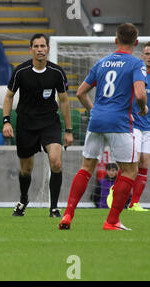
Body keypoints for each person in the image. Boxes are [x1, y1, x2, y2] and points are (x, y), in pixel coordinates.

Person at [59, 23, 147, 230]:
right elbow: (141, 93)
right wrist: (142, 109)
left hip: (96, 121)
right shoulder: (136, 64)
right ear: (136, 42)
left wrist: (93, 110)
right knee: (129, 171)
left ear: (116, 40)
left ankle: (68, 215)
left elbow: (80, 92)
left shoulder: (102, 62)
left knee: (86, 168)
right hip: (119, 122)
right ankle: (112, 220)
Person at [2, 33, 73, 218]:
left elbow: (64, 101)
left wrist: (69, 130)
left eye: (43, 46)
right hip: (26, 124)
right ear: (31, 49)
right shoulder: (21, 71)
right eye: (36, 46)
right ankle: (23, 199)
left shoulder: (57, 72)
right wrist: (6, 121)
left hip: (50, 123)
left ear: (48, 48)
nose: (40, 50)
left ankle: (54, 208)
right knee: (26, 170)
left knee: (56, 163)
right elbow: (9, 96)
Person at [106, 41, 150, 212]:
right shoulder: (135, 72)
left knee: (145, 162)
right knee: (134, 161)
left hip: (149, 127)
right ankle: (115, 189)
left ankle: (134, 203)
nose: (149, 57)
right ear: (142, 55)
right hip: (134, 124)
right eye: (147, 54)